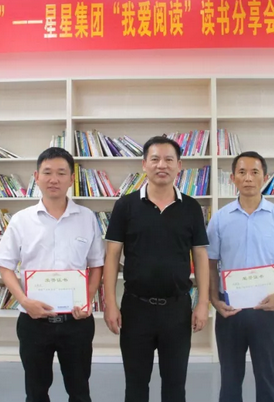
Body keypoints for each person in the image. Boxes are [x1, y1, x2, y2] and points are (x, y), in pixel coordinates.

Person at [0, 147, 105, 402]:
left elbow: (96, 264)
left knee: (79, 390)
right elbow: (5, 267)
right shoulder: (21, 220)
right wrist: (24, 301)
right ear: (36, 177)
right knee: (36, 391)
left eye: (61, 173)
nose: (54, 179)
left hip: (76, 321)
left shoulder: (87, 218)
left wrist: (87, 300)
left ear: (71, 179)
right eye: (48, 172)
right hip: (33, 321)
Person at [102, 136, 210, 402]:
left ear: (179, 165)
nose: (162, 165)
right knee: (136, 386)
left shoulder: (191, 207)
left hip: (177, 309)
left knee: (175, 386)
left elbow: (200, 256)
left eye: (169, 159)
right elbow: (112, 256)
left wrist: (202, 303)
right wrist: (110, 303)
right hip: (136, 309)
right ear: (144, 164)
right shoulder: (125, 205)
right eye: (155, 159)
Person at [206, 151, 274, 402]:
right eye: (242, 172)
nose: (248, 178)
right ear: (232, 178)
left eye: (254, 172)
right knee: (230, 379)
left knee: (268, 378)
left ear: (265, 178)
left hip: (268, 310)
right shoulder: (220, 219)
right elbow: (209, 263)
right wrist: (213, 299)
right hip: (230, 310)